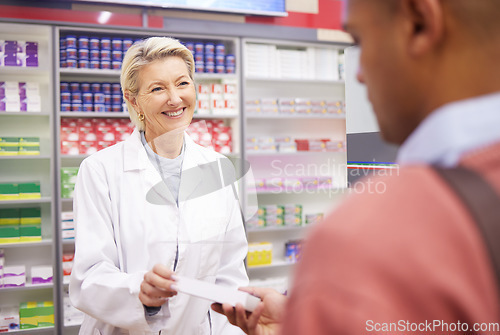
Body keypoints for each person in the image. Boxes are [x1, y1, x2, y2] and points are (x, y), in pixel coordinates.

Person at [213, 0, 500, 334]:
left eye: (359, 42)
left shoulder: (366, 239)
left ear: (419, 22)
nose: (359, 74)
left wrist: (325, 310)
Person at [69, 36, 248, 334]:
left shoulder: (219, 169)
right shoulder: (100, 170)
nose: (175, 99)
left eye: (182, 83)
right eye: (157, 88)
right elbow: (89, 277)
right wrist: (137, 291)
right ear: (132, 99)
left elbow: (230, 274)